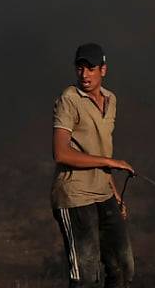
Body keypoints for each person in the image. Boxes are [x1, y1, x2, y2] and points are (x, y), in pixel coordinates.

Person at [51, 42, 135, 288]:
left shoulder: (111, 99)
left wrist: (115, 193)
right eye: (80, 68)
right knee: (85, 277)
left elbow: (100, 149)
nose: (84, 74)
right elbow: (60, 153)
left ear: (103, 70)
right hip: (75, 196)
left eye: (91, 68)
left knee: (122, 268)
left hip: (103, 193)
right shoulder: (69, 100)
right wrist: (111, 162)